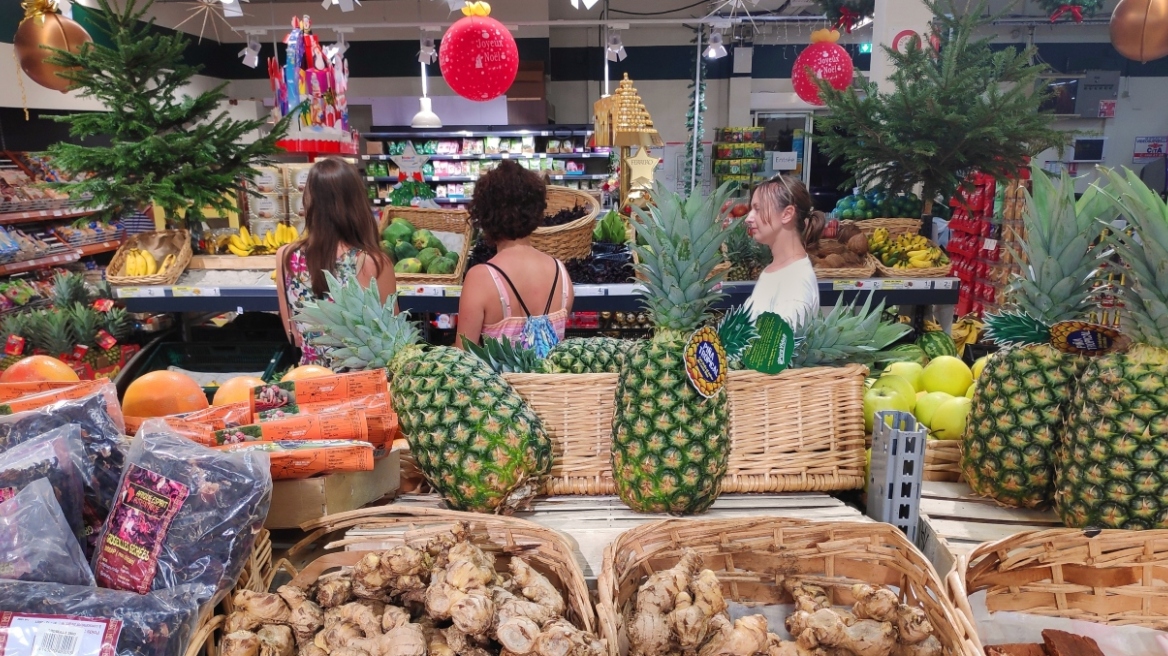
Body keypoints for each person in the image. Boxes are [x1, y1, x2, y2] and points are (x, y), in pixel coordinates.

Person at [277, 157, 396, 366]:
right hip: (360, 388)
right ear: (358, 203)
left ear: (308, 201)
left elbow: (293, 334)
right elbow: (391, 340)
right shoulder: (372, 262)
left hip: (309, 382)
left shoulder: (286, 257)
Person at [456, 160, 574, 354]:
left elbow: (463, 356)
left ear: (484, 214)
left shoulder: (480, 278)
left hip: (500, 384)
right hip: (552, 384)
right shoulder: (560, 272)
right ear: (536, 210)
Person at [744, 174, 825, 328]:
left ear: (787, 214)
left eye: (758, 209)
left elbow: (777, 350)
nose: (748, 218)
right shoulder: (777, 270)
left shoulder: (794, 284)